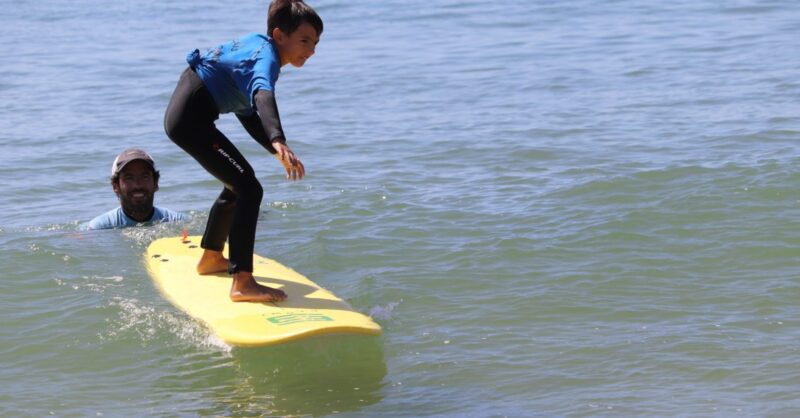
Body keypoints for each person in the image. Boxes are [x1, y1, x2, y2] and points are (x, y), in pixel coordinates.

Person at [163, 0, 322, 303]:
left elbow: (246, 112)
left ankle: (211, 258)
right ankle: (242, 282)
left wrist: (275, 148)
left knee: (238, 184)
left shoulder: (256, 47)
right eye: (304, 40)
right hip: (190, 121)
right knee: (249, 188)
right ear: (279, 35)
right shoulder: (267, 59)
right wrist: (277, 137)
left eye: (315, 43)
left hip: (187, 117)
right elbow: (262, 95)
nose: (311, 50)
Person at [87, 148, 189, 230]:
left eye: (145, 176)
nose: (137, 185)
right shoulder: (99, 228)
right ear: (115, 186)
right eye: (129, 178)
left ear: (156, 183)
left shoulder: (178, 222)